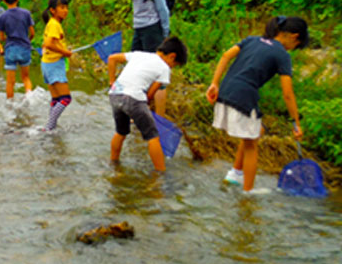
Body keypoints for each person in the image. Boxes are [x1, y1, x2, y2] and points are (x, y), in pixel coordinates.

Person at [206, 16, 308, 193]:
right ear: (294, 36)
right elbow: (288, 94)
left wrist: (214, 83)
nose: (293, 49)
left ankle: (235, 173)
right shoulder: (282, 55)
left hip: (226, 89)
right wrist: (296, 122)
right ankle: (248, 192)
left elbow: (225, 56)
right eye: (297, 45)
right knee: (252, 144)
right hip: (244, 95)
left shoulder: (252, 40)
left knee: (255, 131)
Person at [107, 37, 188, 172]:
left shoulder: (139, 54)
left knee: (121, 132)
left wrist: (111, 81)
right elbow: (150, 95)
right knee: (153, 136)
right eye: (174, 65)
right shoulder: (164, 69)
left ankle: (113, 163)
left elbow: (112, 58)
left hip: (115, 95)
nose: (171, 67)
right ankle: (160, 174)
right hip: (133, 98)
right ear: (172, 56)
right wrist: (145, 107)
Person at [116, 0, 171, 114]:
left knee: (157, 72)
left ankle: (159, 116)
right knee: (137, 70)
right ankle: (142, 110)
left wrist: (165, 31)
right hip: (139, 29)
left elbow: (162, 7)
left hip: (153, 29)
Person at [40, 0, 74, 132]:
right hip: (54, 64)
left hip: (46, 63)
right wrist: (64, 52)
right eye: (62, 8)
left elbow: (48, 43)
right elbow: (48, 44)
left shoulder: (51, 23)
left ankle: (51, 126)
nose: (65, 11)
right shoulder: (55, 24)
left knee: (56, 98)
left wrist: (63, 50)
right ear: (53, 10)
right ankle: (49, 126)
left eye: (66, 7)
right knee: (66, 98)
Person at [0, 0, 35, 99]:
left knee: (10, 82)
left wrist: (7, 40)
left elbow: (1, 37)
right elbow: (32, 33)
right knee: (26, 78)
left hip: (10, 49)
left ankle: (10, 107)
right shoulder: (26, 13)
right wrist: (28, 40)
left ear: (3, 0)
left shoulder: (3, 17)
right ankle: (29, 97)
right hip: (25, 48)